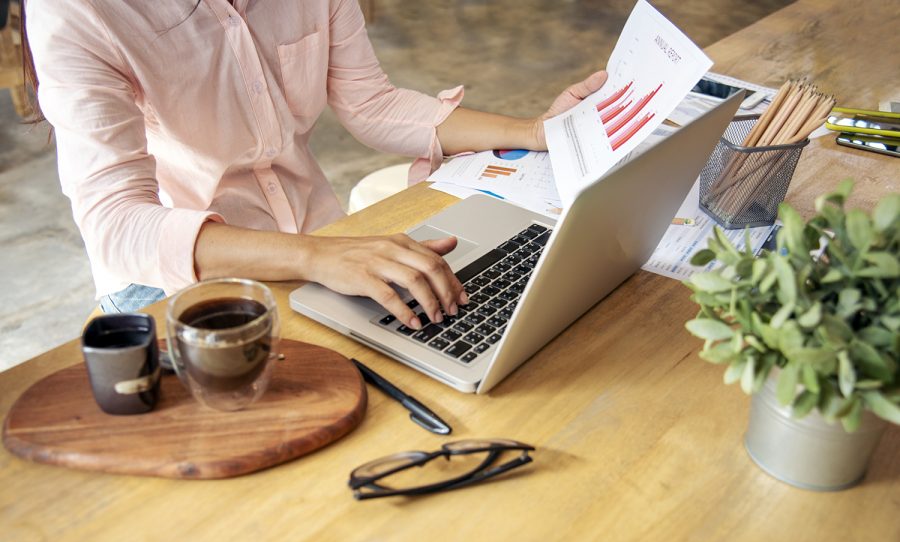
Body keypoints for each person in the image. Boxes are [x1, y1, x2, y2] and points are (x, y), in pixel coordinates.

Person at [22, 0, 607, 329]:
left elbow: (371, 102)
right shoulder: (78, 11)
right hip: (174, 290)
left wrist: (537, 132)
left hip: (321, 248)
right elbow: (118, 226)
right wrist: (318, 255)